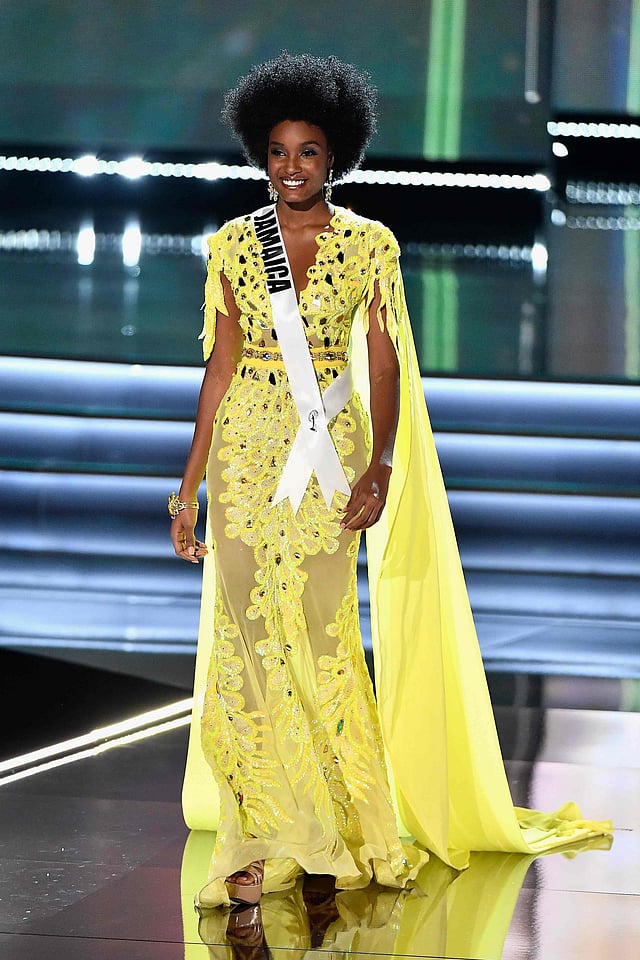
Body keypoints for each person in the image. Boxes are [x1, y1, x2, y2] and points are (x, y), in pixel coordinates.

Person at [171, 53, 611, 911]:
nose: (291, 166)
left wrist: (379, 463)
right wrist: (188, 489)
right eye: (277, 151)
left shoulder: (370, 245)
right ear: (260, 154)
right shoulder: (232, 244)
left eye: (307, 151)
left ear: (334, 155)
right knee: (246, 642)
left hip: (328, 455)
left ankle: (333, 821)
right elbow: (219, 368)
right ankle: (261, 835)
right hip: (245, 453)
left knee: (321, 635)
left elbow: (383, 365)